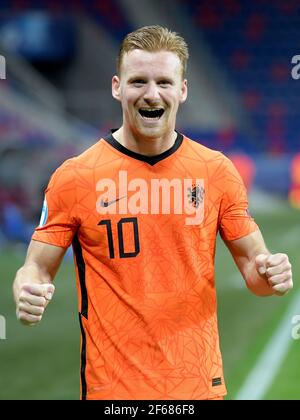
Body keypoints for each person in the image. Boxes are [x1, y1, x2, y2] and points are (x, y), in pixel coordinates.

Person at [13, 25, 293, 401]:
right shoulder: (75, 176)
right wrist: (26, 288)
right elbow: (37, 266)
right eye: (138, 81)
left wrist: (270, 273)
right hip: (111, 393)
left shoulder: (216, 171)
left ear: (182, 90)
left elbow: (253, 270)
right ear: (117, 87)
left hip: (197, 388)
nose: (151, 94)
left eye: (164, 81)